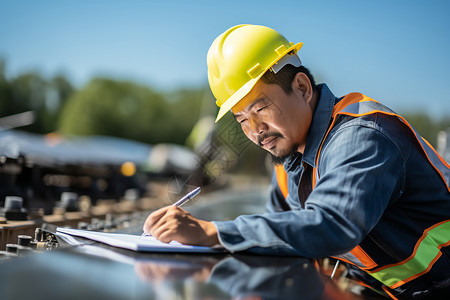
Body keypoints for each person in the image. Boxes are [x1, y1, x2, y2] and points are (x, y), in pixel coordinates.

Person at [143, 24, 450, 298]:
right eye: (242, 120)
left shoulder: (361, 136)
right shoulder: (290, 164)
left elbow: (330, 225)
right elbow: (276, 240)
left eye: (260, 109)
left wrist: (212, 231)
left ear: (302, 88)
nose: (255, 131)